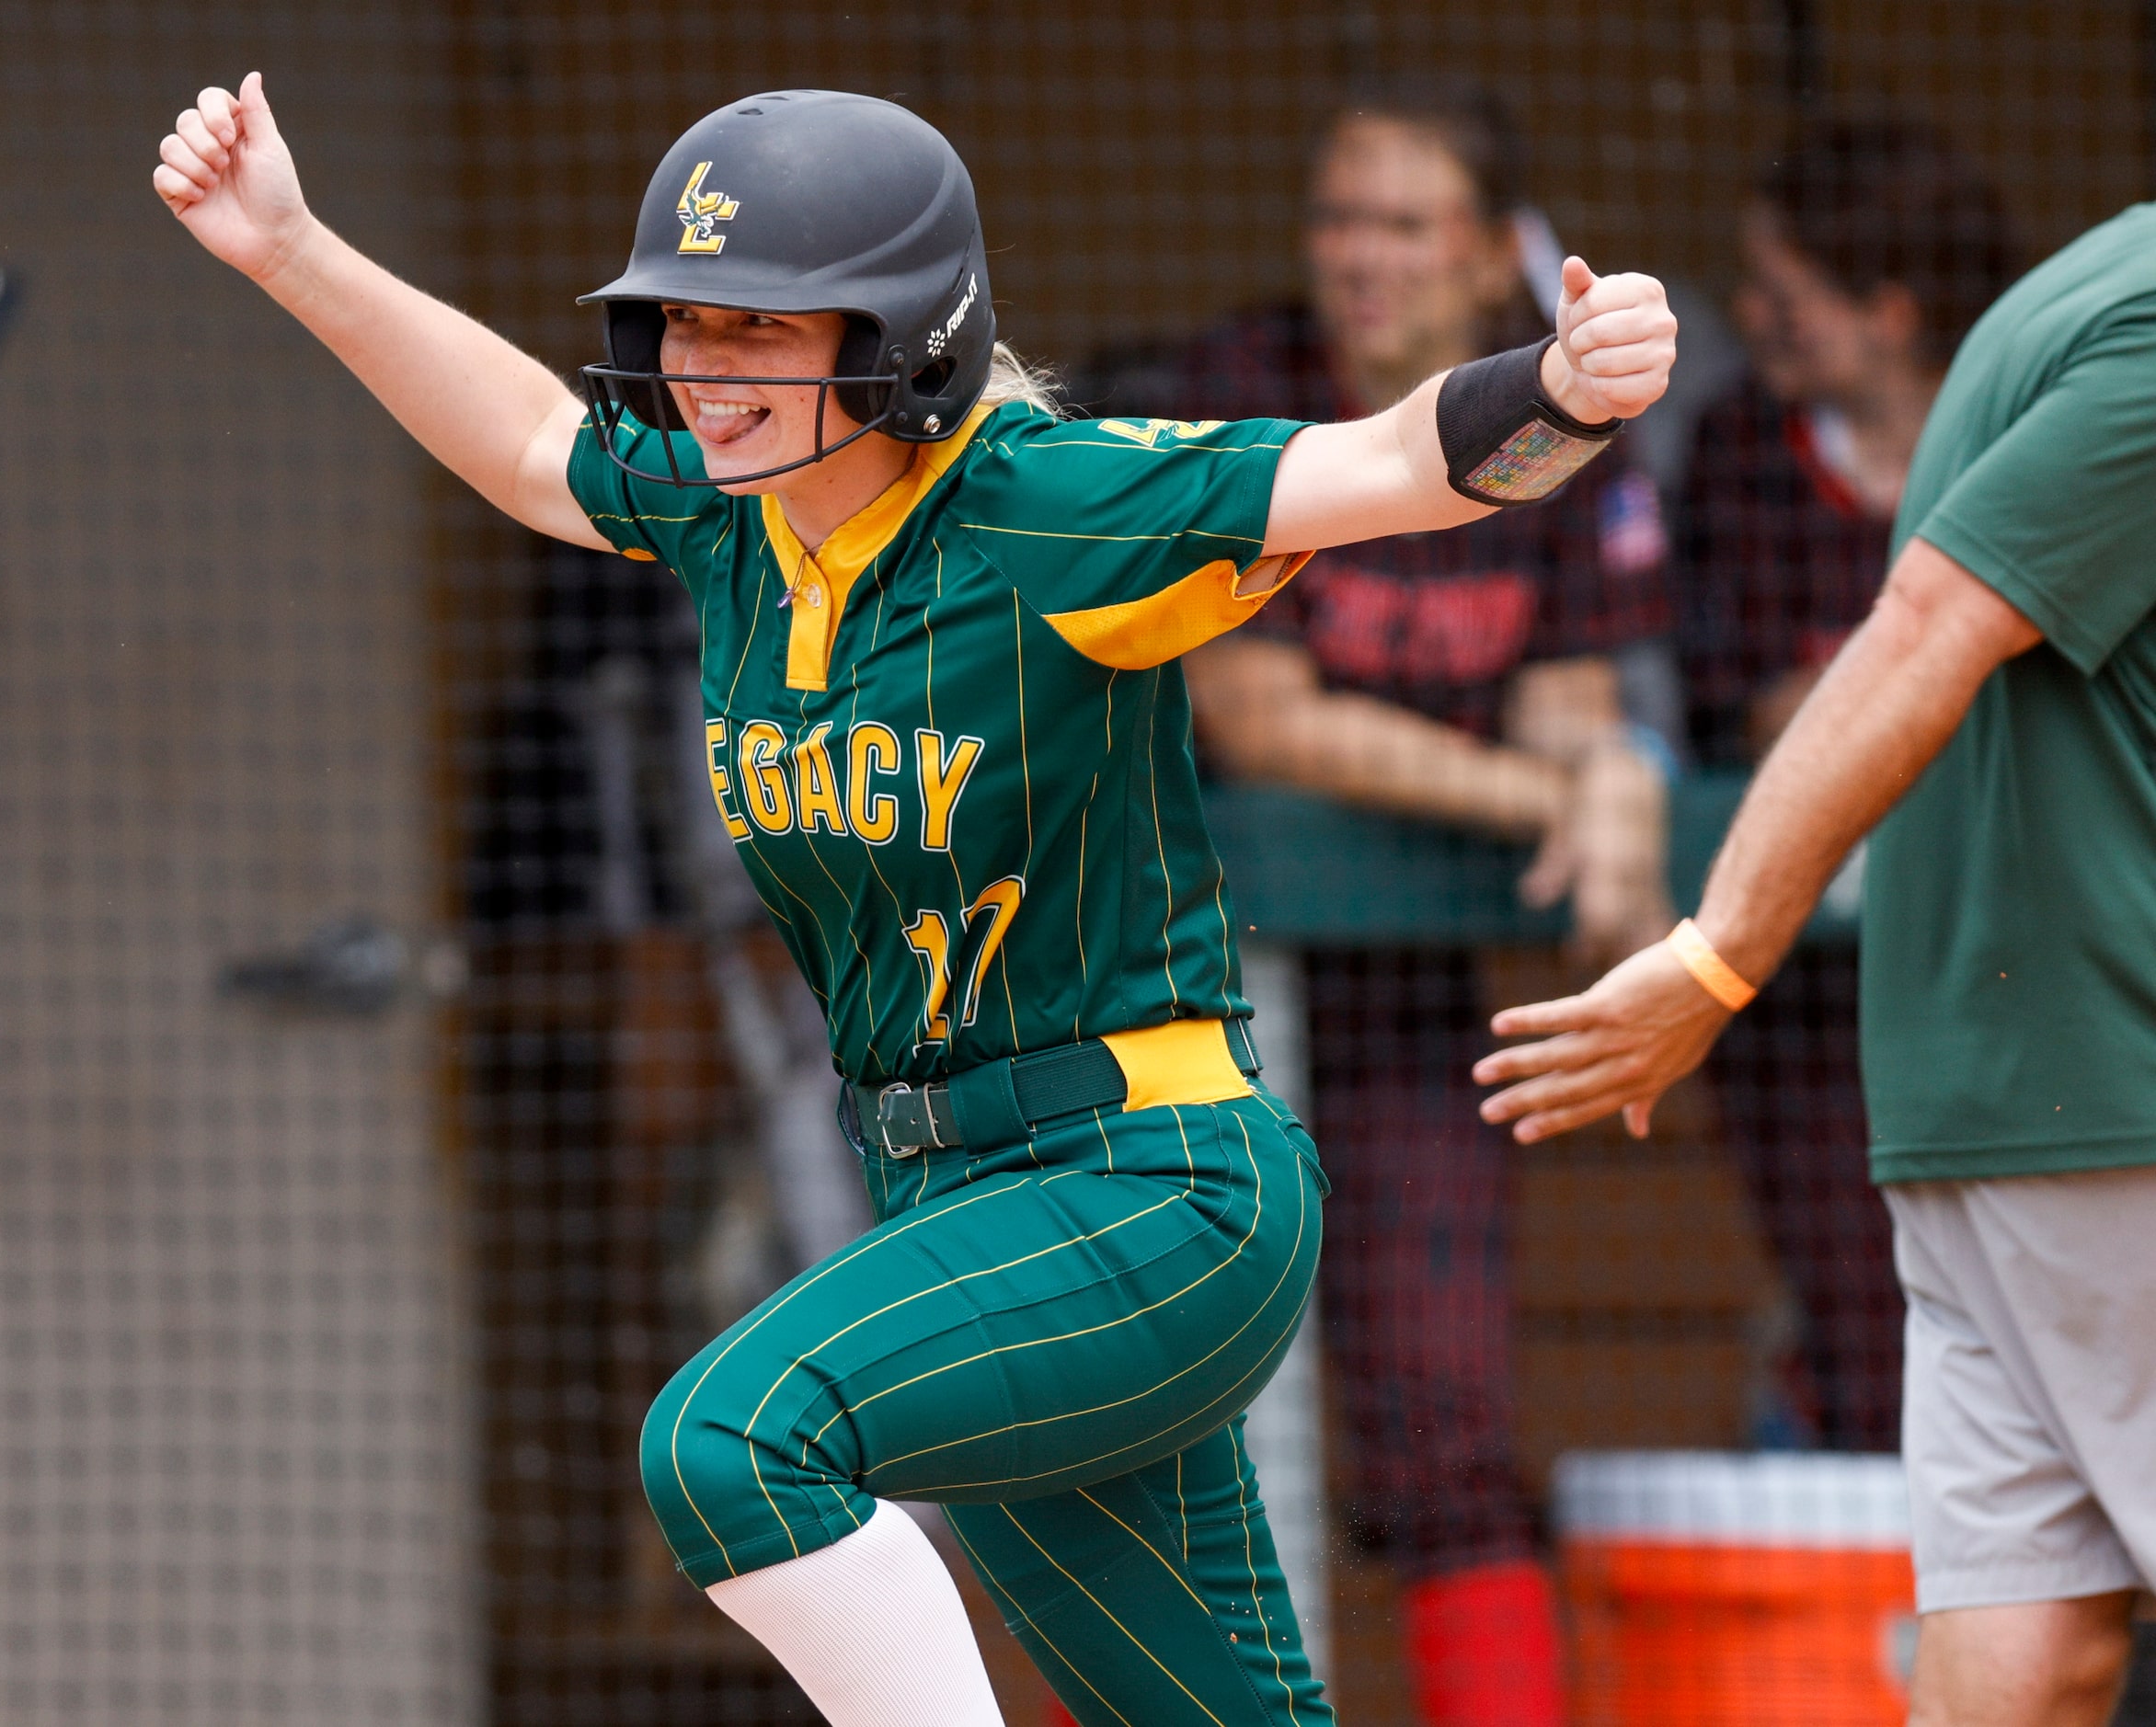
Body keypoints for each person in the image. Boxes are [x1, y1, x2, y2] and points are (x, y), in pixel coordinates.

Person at [155, 74, 1675, 1727]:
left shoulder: (1042, 499)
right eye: (679, 320)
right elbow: (531, 447)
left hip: (1154, 1188)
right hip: (958, 1205)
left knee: (730, 1440)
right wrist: (288, 246)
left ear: (896, 347)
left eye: (758, 328)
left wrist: (1569, 394)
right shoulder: (732, 514)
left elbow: (1390, 460)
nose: (693, 367)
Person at [1478, 198, 2156, 1727]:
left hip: (1976, 1101)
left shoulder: (2072, 281)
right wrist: (1720, 953)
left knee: (2029, 1646)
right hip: (2119, 1088)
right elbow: (1925, 622)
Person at [1091, 85, 1671, 1727]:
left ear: (1496, 255)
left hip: (1407, 980)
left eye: (1405, 223)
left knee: (1443, 1413)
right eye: (1339, 215)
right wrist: (1551, 794)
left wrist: (1613, 772)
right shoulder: (1233, 393)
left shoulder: (1546, 426)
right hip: (1169, 976)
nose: (1359, 255)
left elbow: (1571, 694)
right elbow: (1258, 716)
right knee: (1151, 1416)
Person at [1673, 116, 2016, 1453]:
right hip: (1805, 982)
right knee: (1869, 1323)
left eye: (1783, 287)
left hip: (2012, 963)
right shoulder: (1744, 451)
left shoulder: (2022, 435)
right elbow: (1758, 704)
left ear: (1889, 309)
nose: (1748, 311)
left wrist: (1876, 693)